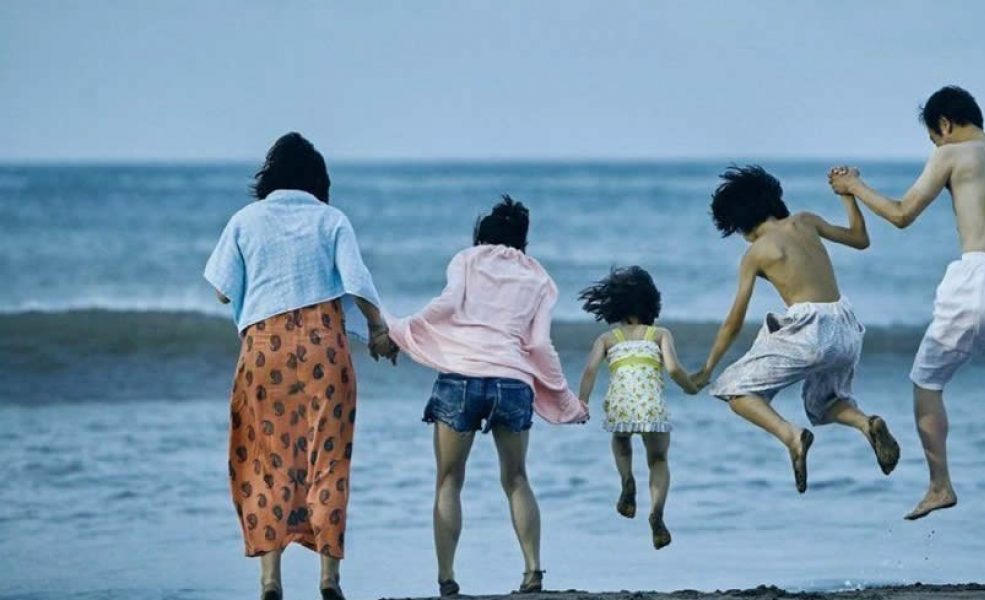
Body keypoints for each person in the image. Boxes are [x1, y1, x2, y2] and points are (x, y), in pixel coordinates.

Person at [828, 85, 985, 522]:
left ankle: (939, 486)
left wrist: (853, 185)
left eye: (933, 137)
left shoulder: (951, 153)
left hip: (981, 279)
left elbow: (901, 214)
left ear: (945, 124)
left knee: (927, 381)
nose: (936, 145)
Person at [203, 132, 398, 600]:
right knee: (329, 459)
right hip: (323, 350)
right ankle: (329, 579)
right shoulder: (332, 219)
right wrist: (378, 328)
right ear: (317, 179)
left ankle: (270, 580)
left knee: (265, 461)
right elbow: (357, 280)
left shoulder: (245, 220)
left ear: (269, 177)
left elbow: (222, 291)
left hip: (263, 351)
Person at [386, 196, 588, 596]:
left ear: (482, 236)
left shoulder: (467, 259)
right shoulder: (539, 277)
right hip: (512, 382)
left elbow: (446, 304)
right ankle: (532, 571)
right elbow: (539, 344)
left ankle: (447, 579)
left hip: (460, 377)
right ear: (522, 240)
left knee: (449, 480)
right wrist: (564, 399)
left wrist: (402, 329)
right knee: (517, 478)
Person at [692, 165, 900, 495]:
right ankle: (866, 423)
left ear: (740, 222)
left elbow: (734, 320)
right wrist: (847, 196)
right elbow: (860, 239)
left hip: (810, 331)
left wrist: (708, 367)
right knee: (824, 404)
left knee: (733, 389)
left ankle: (791, 436)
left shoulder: (756, 253)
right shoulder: (806, 220)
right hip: (846, 328)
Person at [576, 266, 700, 549]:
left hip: (621, 404)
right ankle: (656, 513)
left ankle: (627, 480)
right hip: (651, 406)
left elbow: (589, 371)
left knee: (621, 441)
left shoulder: (607, 338)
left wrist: (582, 403)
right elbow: (673, 368)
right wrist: (691, 387)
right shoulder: (659, 334)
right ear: (651, 302)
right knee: (658, 460)